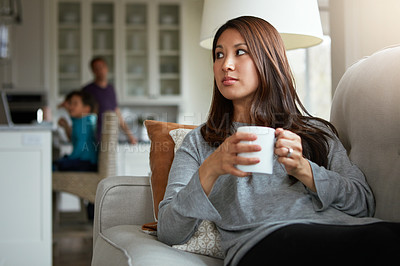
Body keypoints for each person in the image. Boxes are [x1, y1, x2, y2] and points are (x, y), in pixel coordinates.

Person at [157, 16, 400, 265]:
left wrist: (304, 170)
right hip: (265, 242)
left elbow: (363, 203)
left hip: (348, 232)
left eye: (240, 52)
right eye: (219, 55)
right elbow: (168, 229)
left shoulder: (315, 132)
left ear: (268, 60)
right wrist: (210, 169)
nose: (226, 65)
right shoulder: (199, 142)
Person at [82, 56, 137, 144]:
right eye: (96, 68)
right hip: (92, 138)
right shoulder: (87, 90)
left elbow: (117, 112)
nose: (100, 71)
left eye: (102, 67)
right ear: (93, 71)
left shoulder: (111, 89)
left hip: (111, 137)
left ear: (106, 68)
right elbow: (82, 115)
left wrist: (130, 135)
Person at [54, 90, 98, 172]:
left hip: (85, 162)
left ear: (86, 109)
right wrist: (66, 125)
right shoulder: (80, 121)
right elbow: (73, 138)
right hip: (85, 161)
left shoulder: (85, 122)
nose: (70, 107)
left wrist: (70, 158)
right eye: (70, 103)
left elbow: (81, 145)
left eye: (75, 104)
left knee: (55, 166)